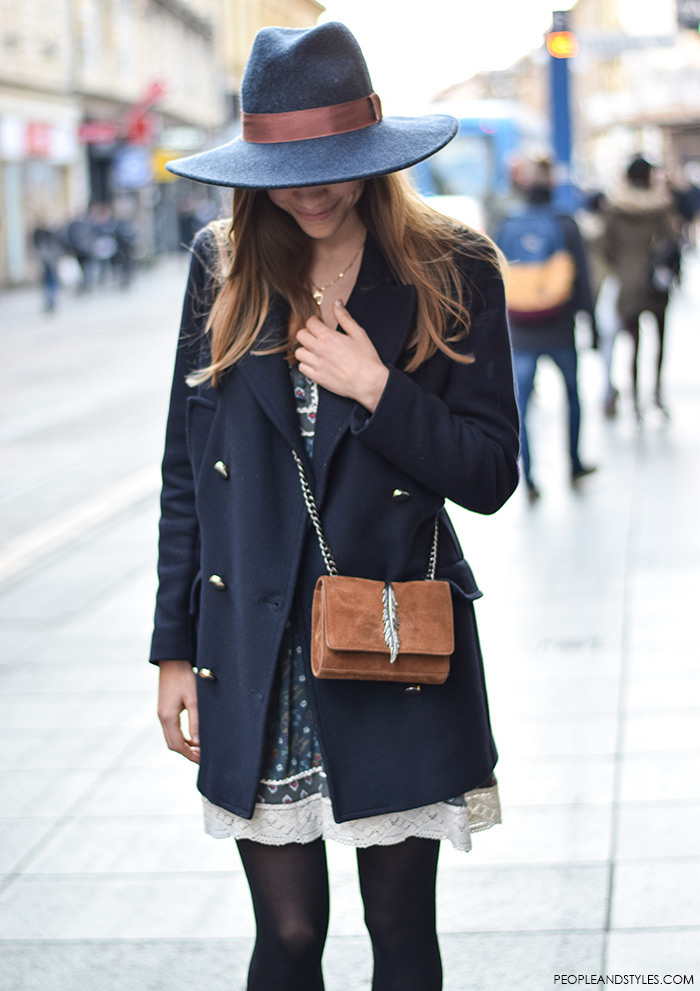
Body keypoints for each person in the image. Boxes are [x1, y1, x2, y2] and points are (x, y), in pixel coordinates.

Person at [150, 22, 519, 991]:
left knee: (399, 928)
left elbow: (488, 473)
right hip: (255, 651)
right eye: (289, 169)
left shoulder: (451, 265)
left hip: (391, 639)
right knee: (287, 935)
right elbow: (186, 475)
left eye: (337, 165)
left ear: (377, 153)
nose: (315, 190)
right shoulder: (221, 266)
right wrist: (174, 651)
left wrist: (375, 387)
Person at [495, 156, 597, 502]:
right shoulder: (565, 223)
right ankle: (574, 463)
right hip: (560, 328)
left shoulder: (506, 222)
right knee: (572, 395)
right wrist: (592, 324)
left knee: (522, 405)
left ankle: (531, 476)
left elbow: (494, 279)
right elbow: (582, 278)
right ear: (552, 186)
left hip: (520, 330)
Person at [602, 155, 680, 419]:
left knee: (631, 343)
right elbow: (672, 240)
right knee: (658, 341)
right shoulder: (659, 206)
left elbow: (607, 246)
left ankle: (633, 399)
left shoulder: (615, 207)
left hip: (628, 282)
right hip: (655, 281)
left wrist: (623, 265)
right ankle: (656, 394)